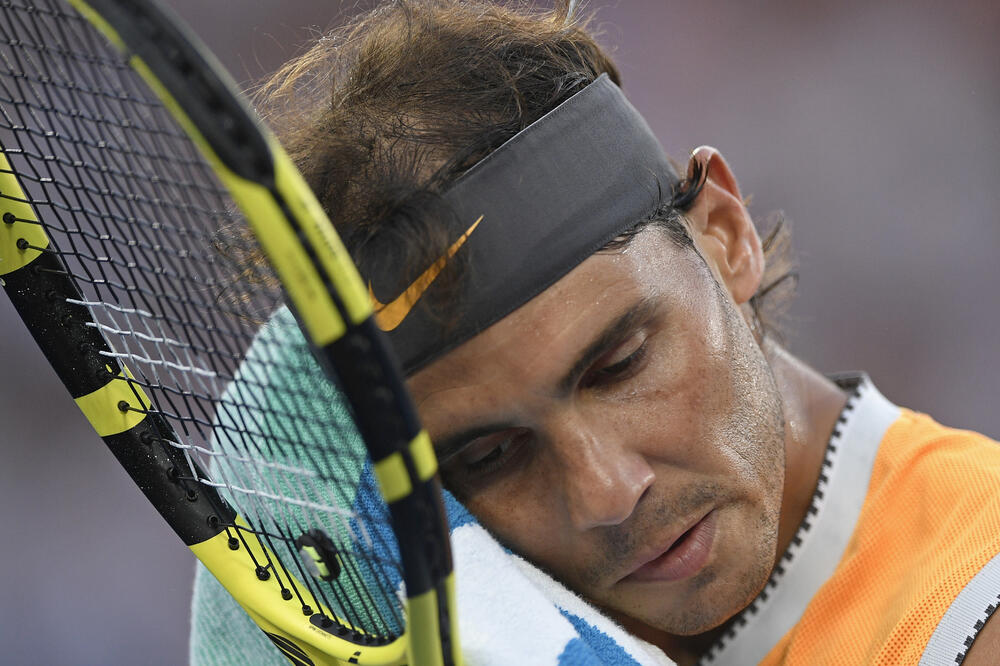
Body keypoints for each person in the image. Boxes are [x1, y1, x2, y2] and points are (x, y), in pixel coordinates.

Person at [197, 1, 1000, 663]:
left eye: (618, 364)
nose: (606, 495)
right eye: (491, 455)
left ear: (725, 234)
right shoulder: (494, 610)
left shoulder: (975, 599)